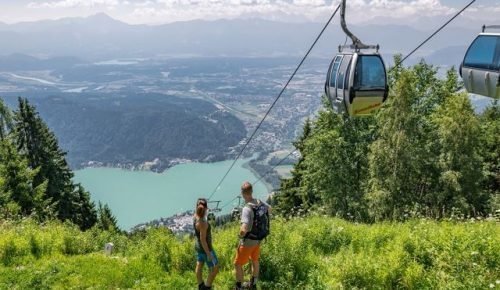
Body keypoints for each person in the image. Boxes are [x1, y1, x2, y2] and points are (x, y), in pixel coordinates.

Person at [234, 182, 271, 290]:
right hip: (258, 239)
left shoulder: (247, 208)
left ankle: (239, 287)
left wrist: (240, 235)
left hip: (249, 241)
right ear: (251, 191)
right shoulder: (259, 202)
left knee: (237, 264)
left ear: (242, 193)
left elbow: (244, 228)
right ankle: (253, 284)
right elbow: (270, 209)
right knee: (255, 260)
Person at [194, 198, 219, 290]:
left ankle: (200, 285)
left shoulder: (195, 216)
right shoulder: (203, 223)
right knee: (215, 268)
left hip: (198, 247)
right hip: (206, 249)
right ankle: (207, 287)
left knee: (199, 264)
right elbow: (203, 239)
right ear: (206, 209)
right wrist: (209, 254)